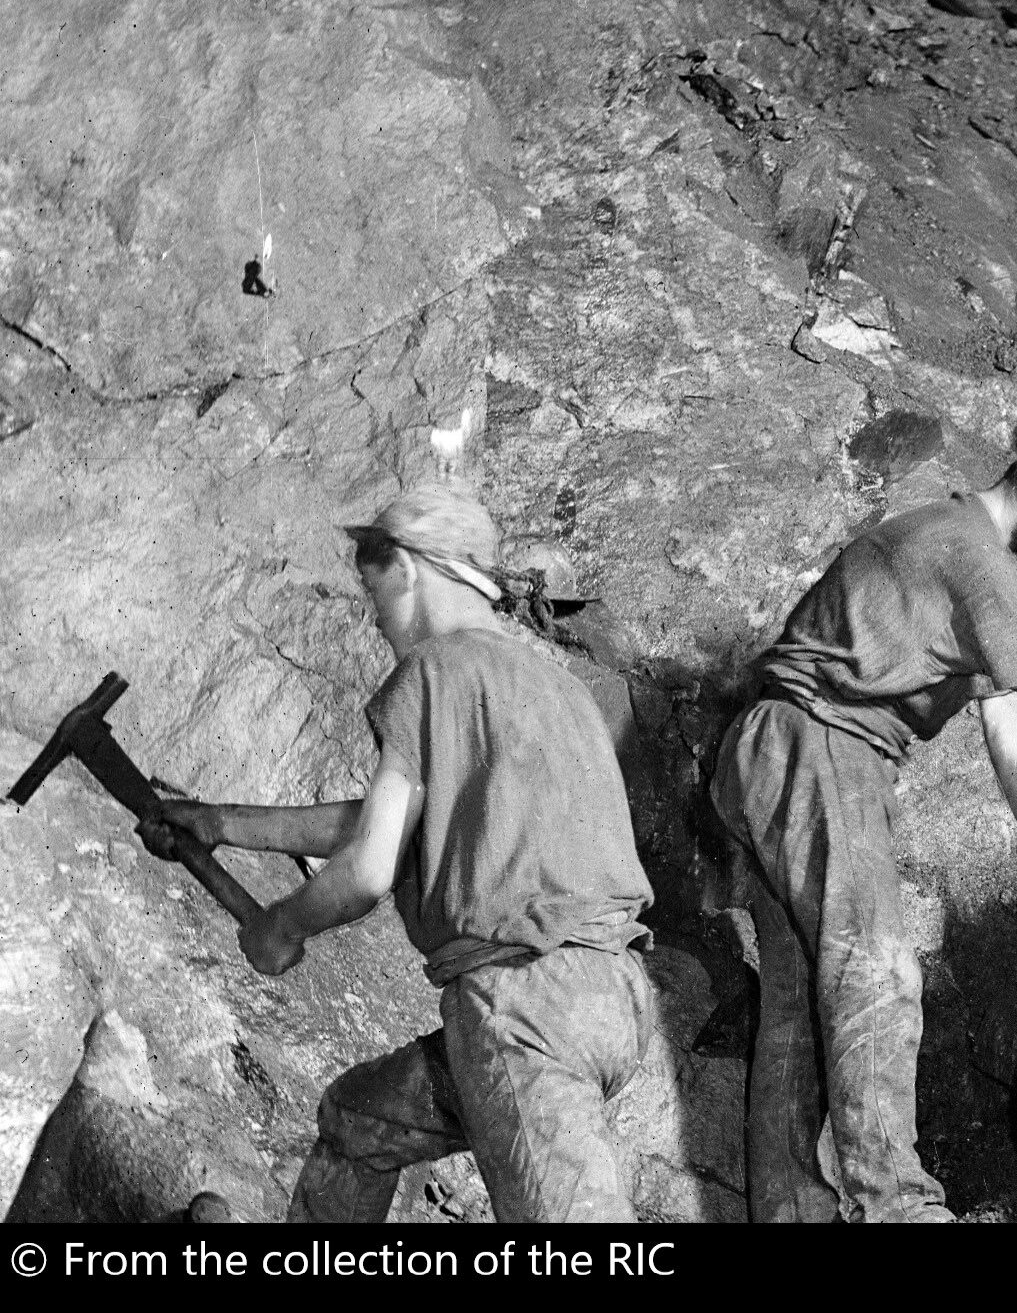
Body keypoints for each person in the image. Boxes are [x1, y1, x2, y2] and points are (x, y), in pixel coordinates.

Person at [711, 429, 1017, 1223]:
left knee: (805, 1005)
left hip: (783, 751)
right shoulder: (975, 555)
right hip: (817, 744)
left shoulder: (951, 539)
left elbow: (1001, 696)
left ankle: (791, 1211)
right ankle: (896, 1206)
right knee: (879, 971)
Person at [144, 484, 656, 1222]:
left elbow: (369, 870)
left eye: (373, 587)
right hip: (612, 998)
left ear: (411, 570)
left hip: (522, 1006)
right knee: (359, 1121)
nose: (376, 614)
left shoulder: (435, 669)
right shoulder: (556, 687)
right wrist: (222, 822)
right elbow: (393, 819)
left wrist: (280, 930)